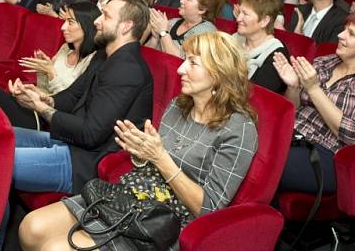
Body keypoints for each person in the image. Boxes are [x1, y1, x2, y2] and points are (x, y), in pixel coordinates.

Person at [19, 31, 258, 251]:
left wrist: (160, 158)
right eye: (185, 59)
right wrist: (139, 152)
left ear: (219, 74)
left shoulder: (239, 129)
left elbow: (209, 208)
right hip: (132, 193)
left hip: (164, 220)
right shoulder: (179, 105)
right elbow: (152, 160)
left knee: (55, 249)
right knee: (31, 228)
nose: (180, 69)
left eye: (193, 63)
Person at [2, 0, 152, 200]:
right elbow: (73, 96)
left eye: (106, 17)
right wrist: (42, 98)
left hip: (85, 162)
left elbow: (91, 134)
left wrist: (42, 109)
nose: (97, 21)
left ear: (126, 26)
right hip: (73, 143)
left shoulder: (127, 69)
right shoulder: (104, 55)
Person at [274, 11, 355, 194]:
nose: (340, 35)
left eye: (351, 34)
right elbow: (293, 109)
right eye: (344, 29)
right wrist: (294, 87)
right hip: (290, 135)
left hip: (324, 153)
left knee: (263, 162)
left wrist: (314, 89)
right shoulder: (326, 61)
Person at [0, 2, 101, 130]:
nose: (63, 27)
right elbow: (44, 89)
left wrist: (51, 73)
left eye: (70, 22)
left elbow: (70, 103)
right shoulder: (65, 49)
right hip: (35, 105)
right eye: (64, 21)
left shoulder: (92, 61)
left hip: (46, 118)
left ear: (86, 25)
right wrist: (40, 73)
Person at [233, 0, 288, 93]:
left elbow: (256, 96)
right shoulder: (235, 39)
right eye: (239, 12)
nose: (238, 19)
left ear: (264, 21)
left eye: (245, 14)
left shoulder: (276, 54)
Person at [148, 0, 218, 58]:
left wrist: (164, 32)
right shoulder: (172, 22)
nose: (181, 1)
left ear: (201, 9)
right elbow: (147, 55)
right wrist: (155, 37)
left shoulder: (207, 32)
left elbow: (181, 60)